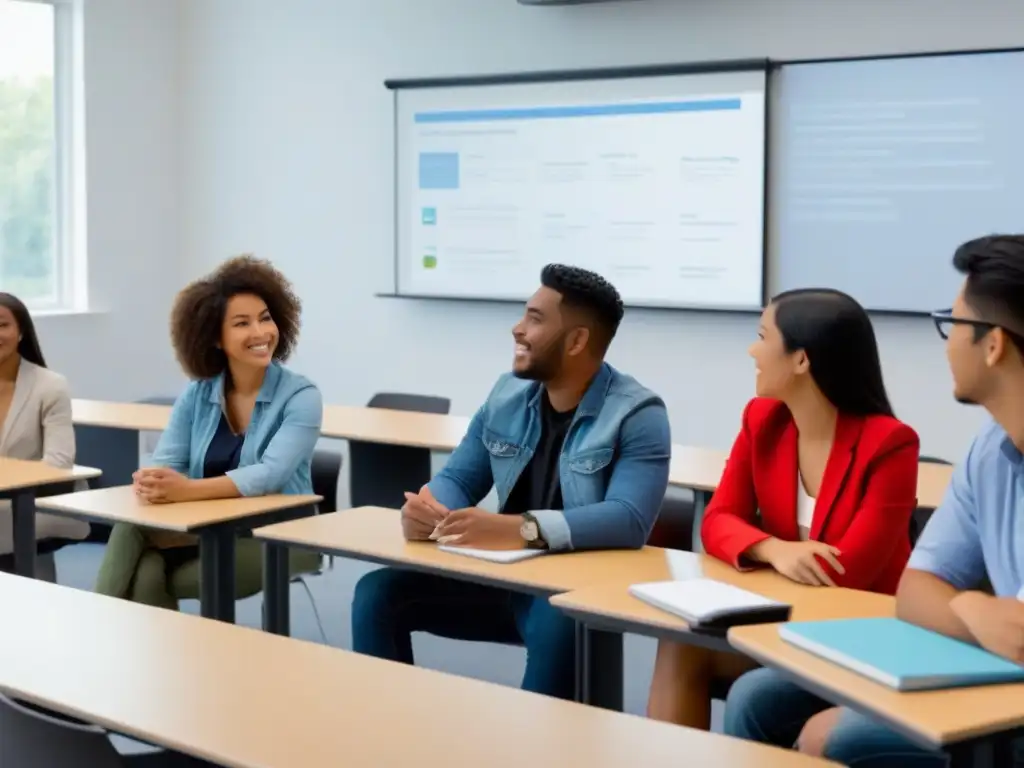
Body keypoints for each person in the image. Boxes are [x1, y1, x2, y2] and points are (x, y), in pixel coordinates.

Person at [724, 235, 1024, 766]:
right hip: (978, 665)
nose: (947, 344)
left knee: (832, 736)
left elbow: (856, 572)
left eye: (952, 326)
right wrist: (976, 609)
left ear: (994, 344)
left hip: (998, 694)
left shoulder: (889, 440)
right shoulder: (988, 451)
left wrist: (971, 616)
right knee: (757, 698)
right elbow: (916, 592)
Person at [350, 264, 671, 700]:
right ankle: (381, 739)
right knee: (376, 593)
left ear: (577, 341)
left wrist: (520, 529)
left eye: (535, 319)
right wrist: (429, 512)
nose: (517, 330)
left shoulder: (638, 413)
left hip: (570, 590)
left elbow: (628, 519)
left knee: (559, 621)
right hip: (499, 580)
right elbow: (460, 477)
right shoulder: (506, 395)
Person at [647, 288, 920, 729]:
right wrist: (775, 548)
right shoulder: (763, 419)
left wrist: (763, 553)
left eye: (762, 336)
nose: (752, 349)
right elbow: (717, 521)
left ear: (801, 359)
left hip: (862, 637)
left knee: (751, 691)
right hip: (787, 621)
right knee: (681, 641)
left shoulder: (890, 443)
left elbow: (848, 572)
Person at [94, 256, 322, 608]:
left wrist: (185, 491)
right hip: (207, 527)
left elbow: (270, 476)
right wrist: (154, 481)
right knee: (147, 570)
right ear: (215, 338)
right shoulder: (199, 392)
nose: (261, 333)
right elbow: (169, 460)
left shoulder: (301, 396)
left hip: (276, 534)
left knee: (152, 568)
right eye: (242, 323)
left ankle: (95, 633)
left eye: (265, 318)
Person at [0, 293, 90, 580]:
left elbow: (59, 463)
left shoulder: (49, 386)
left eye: (2, 325)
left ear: (21, 331)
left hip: (37, 501)